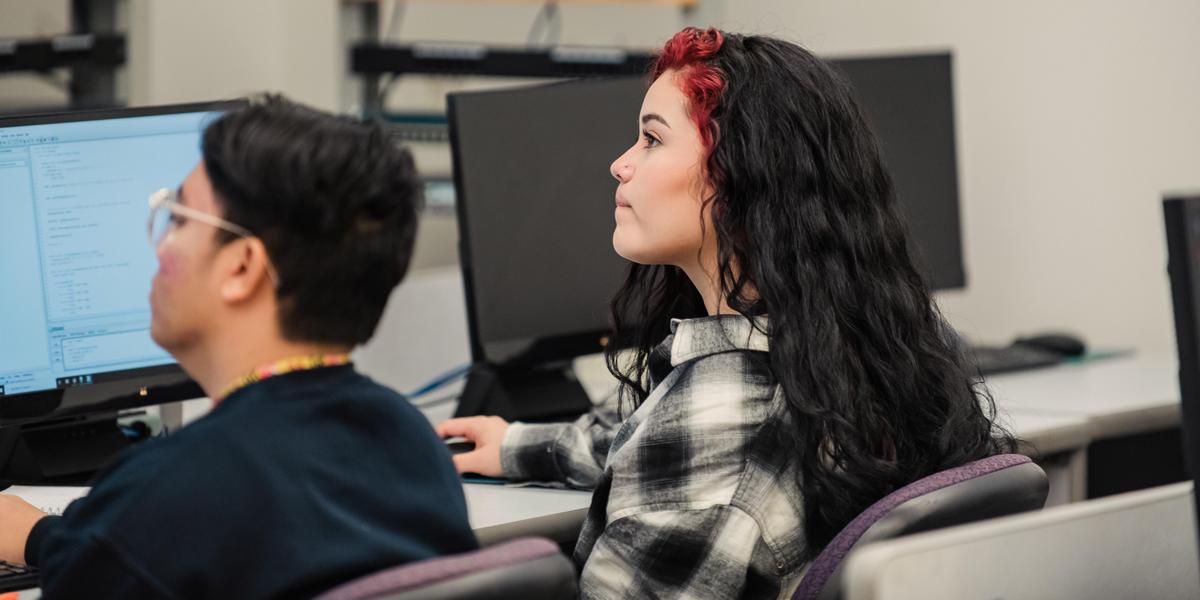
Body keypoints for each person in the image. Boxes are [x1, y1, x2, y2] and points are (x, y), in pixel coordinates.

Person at [437, 27, 1015, 599]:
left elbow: (693, 452)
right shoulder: (850, 348)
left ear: (739, 175)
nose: (621, 164)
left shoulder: (712, 423)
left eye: (652, 139)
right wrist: (518, 445)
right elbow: (666, 446)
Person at [0, 96, 478, 598]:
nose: (158, 246)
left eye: (178, 219)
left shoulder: (170, 491)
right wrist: (42, 538)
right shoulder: (410, 443)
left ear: (242, 268)